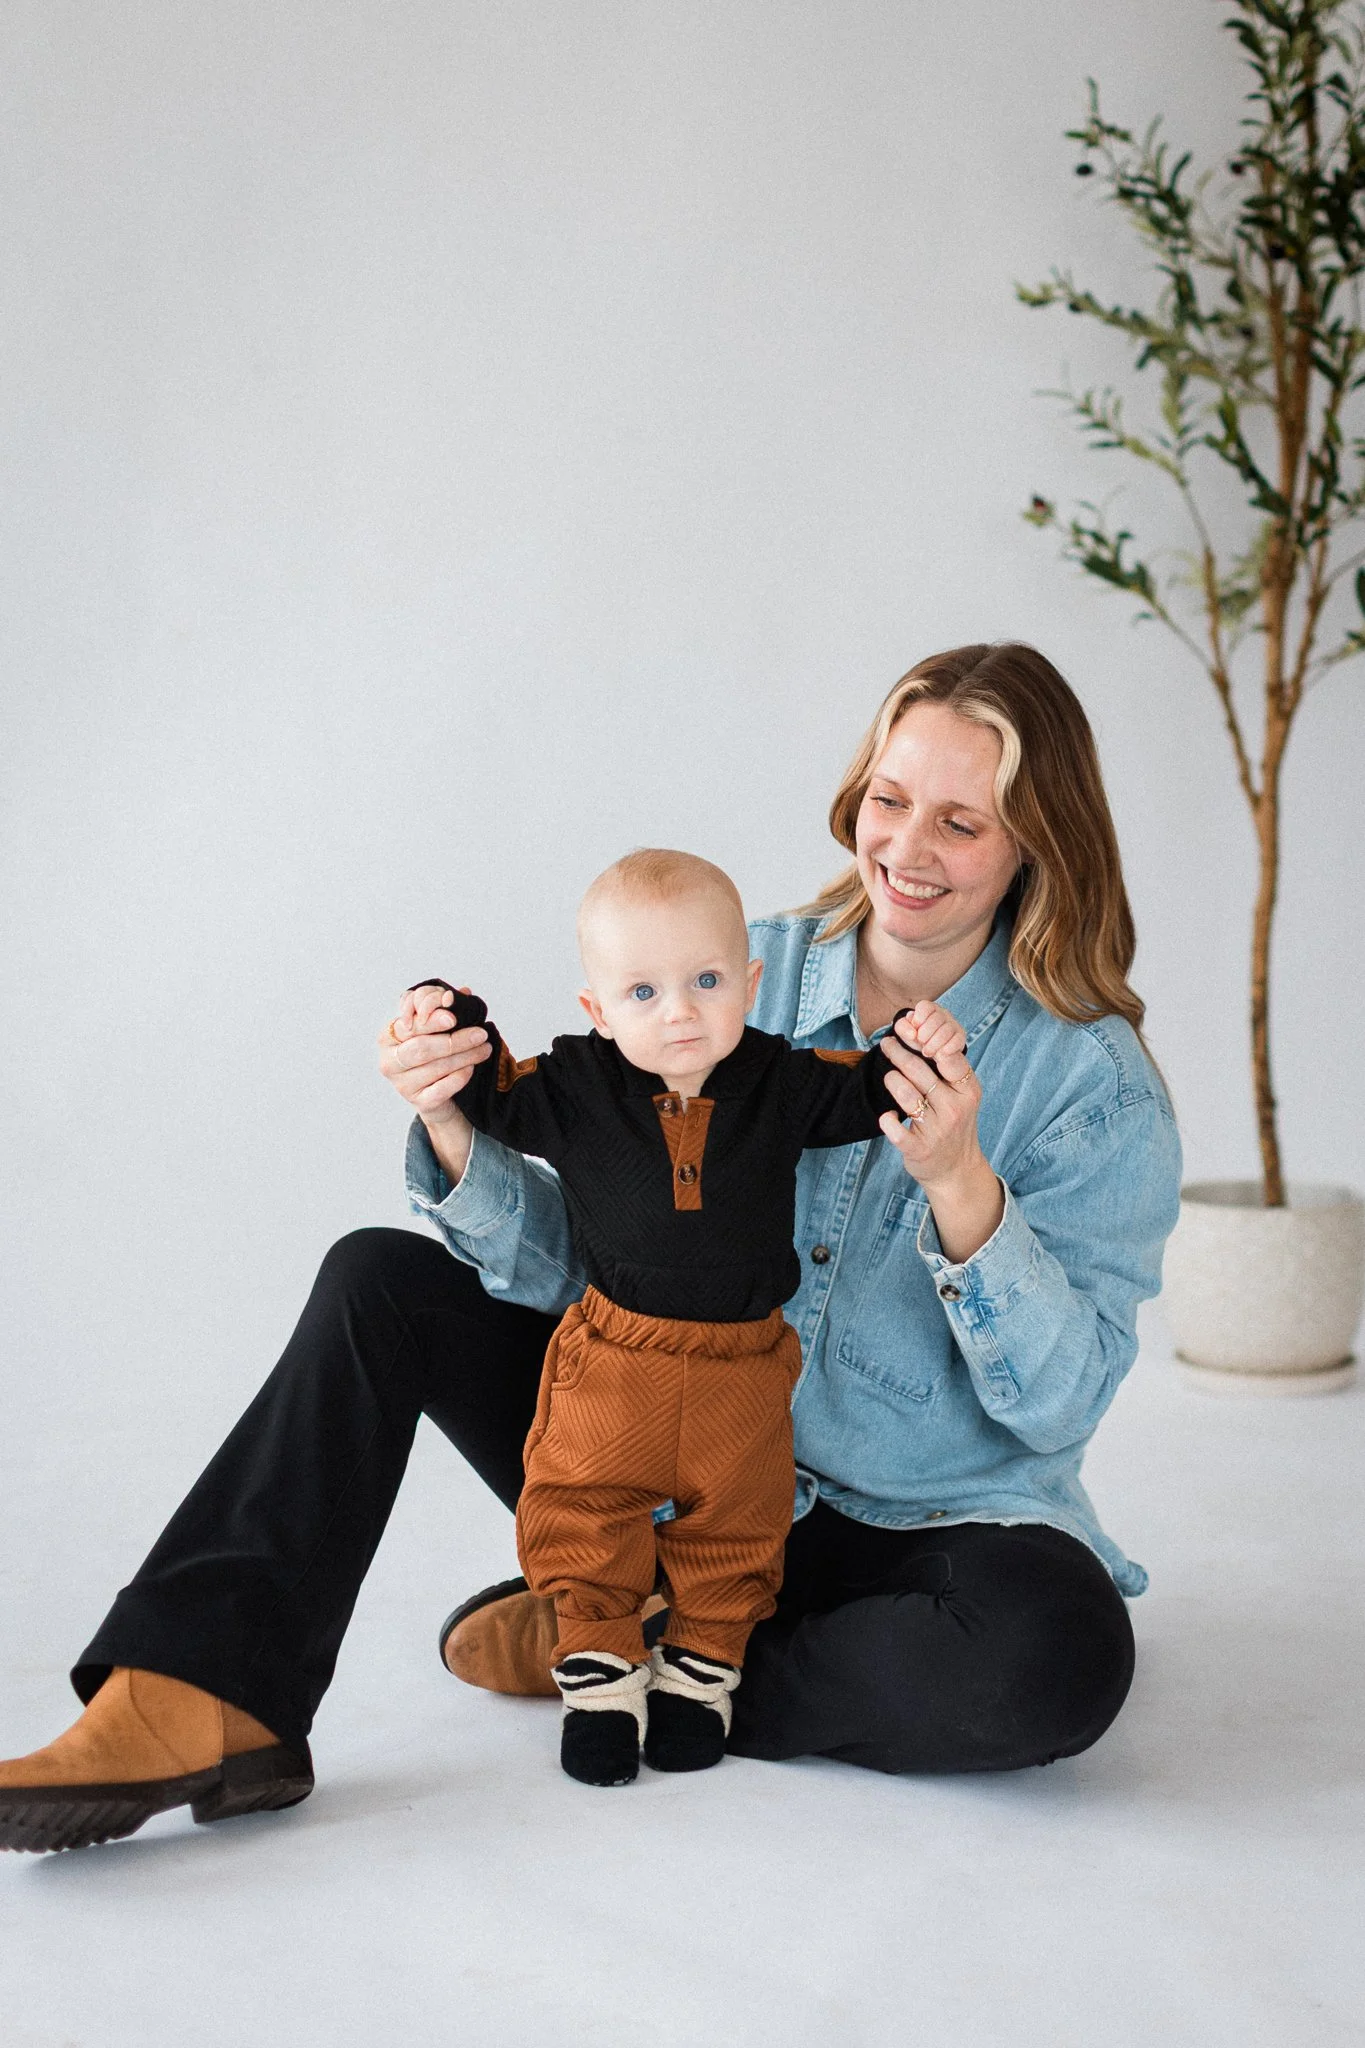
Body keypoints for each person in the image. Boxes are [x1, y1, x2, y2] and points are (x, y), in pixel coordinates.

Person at [0, 641, 1181, 1856]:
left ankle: (624, 1645)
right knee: (376, 1277)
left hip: (901, 1533)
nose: (907, 847)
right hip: (645, 1451)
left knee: (1057, 1655)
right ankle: (203, 1693)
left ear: (1036, 840)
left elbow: (1059, 1404)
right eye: (889, 798)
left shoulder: (1094, 1085)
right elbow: (602, 1263)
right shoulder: (722, 968)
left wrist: (962, 1186)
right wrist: (454, 1123)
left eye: (961, 822)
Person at [412, 848, 963, 1785]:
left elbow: (868, 1089)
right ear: (596, 1009)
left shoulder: (779, 1078)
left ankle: (699, 1677)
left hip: (742, 1369)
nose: (679, 1012)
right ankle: (598, 1678)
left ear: (749, 982)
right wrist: (448, 1020)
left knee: (738, 1528)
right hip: (613, 1358)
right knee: (584, 1508)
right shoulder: (575, 1085)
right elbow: (487, 1091)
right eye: (642, 992)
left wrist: (920, 1048)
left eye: (706, 981)